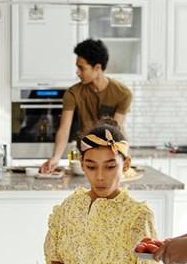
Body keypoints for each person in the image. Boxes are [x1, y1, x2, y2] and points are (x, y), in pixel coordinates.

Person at [44, 119, 162, 264]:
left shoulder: (138, 215)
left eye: (110, 167)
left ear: (125, 165)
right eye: (91, 167)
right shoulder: (69, 208)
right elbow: (55, 257)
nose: (100, 177)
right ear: (82, 165)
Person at [40, 39, 132, 173]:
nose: (77, 72)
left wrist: (122, 159)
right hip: (86, 157)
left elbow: (115, 131)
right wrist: (55, 158)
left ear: (97, 68)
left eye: (81, 68)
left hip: (111, 156)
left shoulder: (122, 94)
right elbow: (64, 129)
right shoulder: (73, 93)